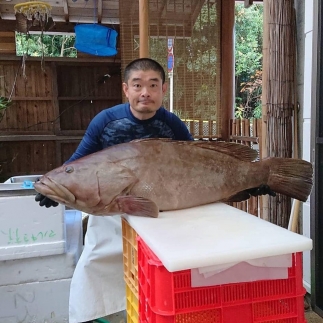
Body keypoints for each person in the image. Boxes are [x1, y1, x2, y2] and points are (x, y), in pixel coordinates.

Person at [35, 58, 194, 323]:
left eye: (153, 85)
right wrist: (56, 185)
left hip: (159, 214)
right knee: (94, 266)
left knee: (157, 273)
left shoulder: (173, 125)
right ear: (126, 89)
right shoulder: (105, 121)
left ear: (163, 90)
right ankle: (97, 316)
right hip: (107, 212)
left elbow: (194, 160)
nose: (145, 92)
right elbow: (79, 160)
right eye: (138, 85)